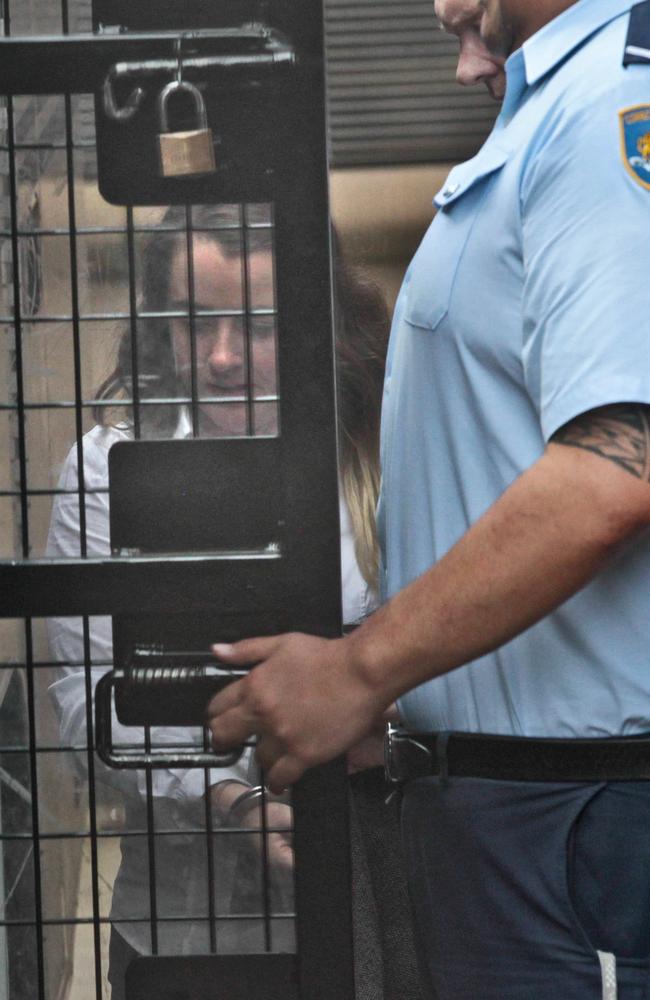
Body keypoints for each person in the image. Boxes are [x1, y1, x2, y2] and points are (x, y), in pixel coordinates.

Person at [206, 2, 650, 997]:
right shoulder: (554, 111)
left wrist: (362, 667)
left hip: (586, 814)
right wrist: (414, 704)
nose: (452, 40)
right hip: (520, 803)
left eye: (465, 10)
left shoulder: (610, 103)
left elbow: (620, 468)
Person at [47, 203, 423, 998]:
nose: (219, 357)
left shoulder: (381, 448)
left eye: (255, 326)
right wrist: (229, 798)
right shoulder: (108, 466)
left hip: (380, 888)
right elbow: (89, 701)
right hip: (181, 917)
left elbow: (444, 653)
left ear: (315, 318)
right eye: (195, 322)